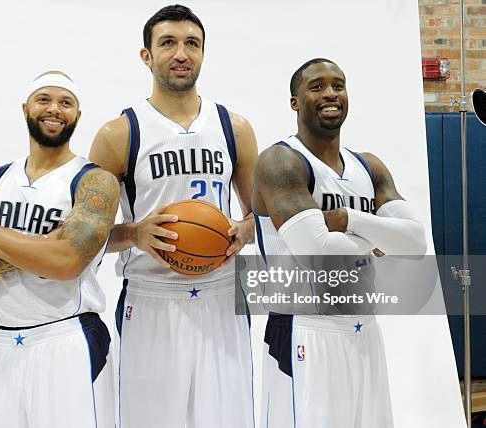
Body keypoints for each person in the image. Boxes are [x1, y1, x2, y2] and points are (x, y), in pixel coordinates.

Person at [89, 5, 258, 428]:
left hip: (223, 299)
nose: (181, 53)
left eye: (192, 44)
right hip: (151, 301)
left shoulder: (234, 128)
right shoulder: (120, 134)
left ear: (203, 53)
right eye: (168, 43)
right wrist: (133, 233)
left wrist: (246, 228)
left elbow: (266, 217)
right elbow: (84, 239)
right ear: (146, 56)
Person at [251, 58, 427, 427]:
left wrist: (349, 220)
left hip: (365, 329)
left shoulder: (368, 166)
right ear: (295, 102)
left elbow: (415, 245)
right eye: (316, 87)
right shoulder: (280, 161)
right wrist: (380, 234)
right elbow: (317, 253)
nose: (330, 93)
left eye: (338, 85)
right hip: (304, 330)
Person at [0, 71, 119, 428]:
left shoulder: (94, 180)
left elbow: (66, 262)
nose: (54, 109)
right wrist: (42, 247)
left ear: (78, 115)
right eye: (44, 100)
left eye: (65, 102)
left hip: (67, 340)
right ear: (25, 108)